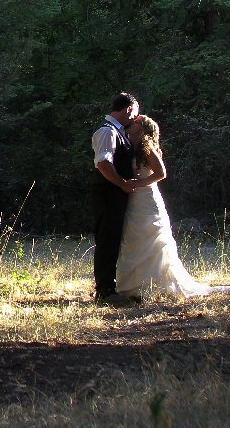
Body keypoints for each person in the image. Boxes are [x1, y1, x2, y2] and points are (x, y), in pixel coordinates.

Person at [116, 115, 230, 299]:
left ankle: (156, 284)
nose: (131, 124)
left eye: (136, 122)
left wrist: (138, 183)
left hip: (146, 199)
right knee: (136, 239)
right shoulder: (131, 146)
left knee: (152, 241)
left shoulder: (146, 147)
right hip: (135, 200)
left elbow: (161, 173)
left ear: (142, 128)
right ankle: (137, 286)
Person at [91, 92, 139, 303]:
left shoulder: (117, 131)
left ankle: (111, 287)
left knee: (113, 239)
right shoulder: (106, 132)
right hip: (108, 194)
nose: (135, 119)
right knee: (107, 241)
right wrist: (122, 183)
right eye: (135, 113)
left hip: (115, 194)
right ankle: (105, 291)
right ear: (128, 109)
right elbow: (103, 163)